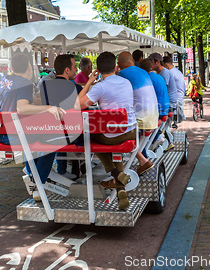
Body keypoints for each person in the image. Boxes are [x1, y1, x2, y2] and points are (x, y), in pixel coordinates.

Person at [0, 53, 65, 200]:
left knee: (30, 143)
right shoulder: (25, 83)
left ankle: (32, 176)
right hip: (15, 136)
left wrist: (46, 101)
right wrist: (48, 108)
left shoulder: (3, 80)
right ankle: (38, 183)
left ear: (12, 67)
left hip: (2, 134)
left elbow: (24, 100)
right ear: (28, 68)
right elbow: (22, 107)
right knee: (53, 141)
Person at [76, 51, 135, 210]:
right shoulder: (126, 82)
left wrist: (89, 82)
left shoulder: (100, 87)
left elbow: (78, 104)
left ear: (97, 70)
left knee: (92, 137)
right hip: (131, 131)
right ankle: (121, 188)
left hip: (112, 136)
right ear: (115, 67)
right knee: (115, 147)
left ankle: (116, 174)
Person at [41, 54, 83, 179]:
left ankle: (62, 170)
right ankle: (77, 171)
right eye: (75, 67)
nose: (76, 70)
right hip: (71, 136)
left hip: (50, 133)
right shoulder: (75, 88)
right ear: (67, 70)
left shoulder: (44, 87)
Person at [117, 52, 158, 177]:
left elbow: (118, 96)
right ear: (133, 61)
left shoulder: (122, 74)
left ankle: (142, 160)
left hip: (142, 118)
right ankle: (142, 160)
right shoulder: (143, 72)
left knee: (118, 132)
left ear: (119, 65)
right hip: (154, 116)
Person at [138, 58, 171, 150]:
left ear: (141, 70)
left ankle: (152, 140)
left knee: (137, 124)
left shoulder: (147, 79)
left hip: (158, 110)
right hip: (165, 107)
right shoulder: (159, 76)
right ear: (151, 67)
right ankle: (156, 137)